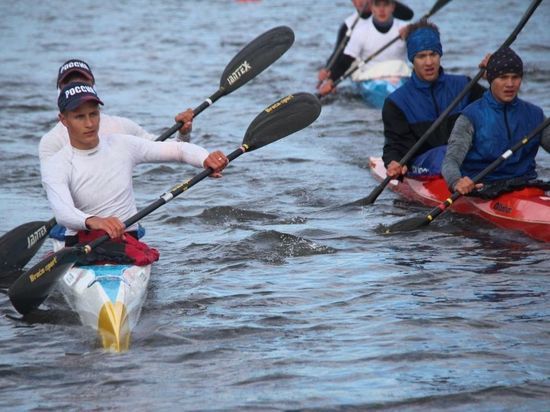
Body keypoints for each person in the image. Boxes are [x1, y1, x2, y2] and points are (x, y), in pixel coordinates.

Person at [41, 82, 228, 260]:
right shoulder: (57, 164)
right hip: (82, 243)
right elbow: (63, 212)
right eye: (79, 117)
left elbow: (178, 149)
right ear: (63, 120)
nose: (90, 123)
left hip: (126, 239)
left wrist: (205, 158)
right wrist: (95, 221)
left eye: (93, 114)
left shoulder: (122, 144)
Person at [382, 21, 486, 178]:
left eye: (433, 54)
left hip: (464, 158)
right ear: (412, 59)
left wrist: (496, 76)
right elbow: (395, 145)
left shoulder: (465, 86)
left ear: (440, 55)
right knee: (445, 154)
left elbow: (501, 109)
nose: (429, 62)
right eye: (421, 56)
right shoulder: (396, 102)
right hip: (424, 164)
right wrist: (394, 161)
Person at [442, 47, 550, 196]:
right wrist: (456, 181)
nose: (510, 84)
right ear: (491, 79)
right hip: (484, 188)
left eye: (515, 77)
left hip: (526, 186)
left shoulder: (535, 114)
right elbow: (451, 161)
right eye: (503, 77)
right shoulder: (470, 116)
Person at [39, 58, 194, 162]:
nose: (77, 88)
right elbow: (56, 193)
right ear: (59, 92)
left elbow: (175, 149)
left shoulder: (121, 127)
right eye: (69, 84)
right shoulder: (50, 143)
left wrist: (184, 132)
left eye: (82, 82)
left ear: (93, 87)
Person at [318, 0, 411, 96]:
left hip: (400, 74)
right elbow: (345, 60)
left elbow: (410, 17)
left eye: (386, 5)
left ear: (392, 7)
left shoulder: (406, 29)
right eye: (378, 5)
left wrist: (412, 32)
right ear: (372, 7)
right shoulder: (358, 31)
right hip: (371, 76)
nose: (382, 10)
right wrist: (331, 80)